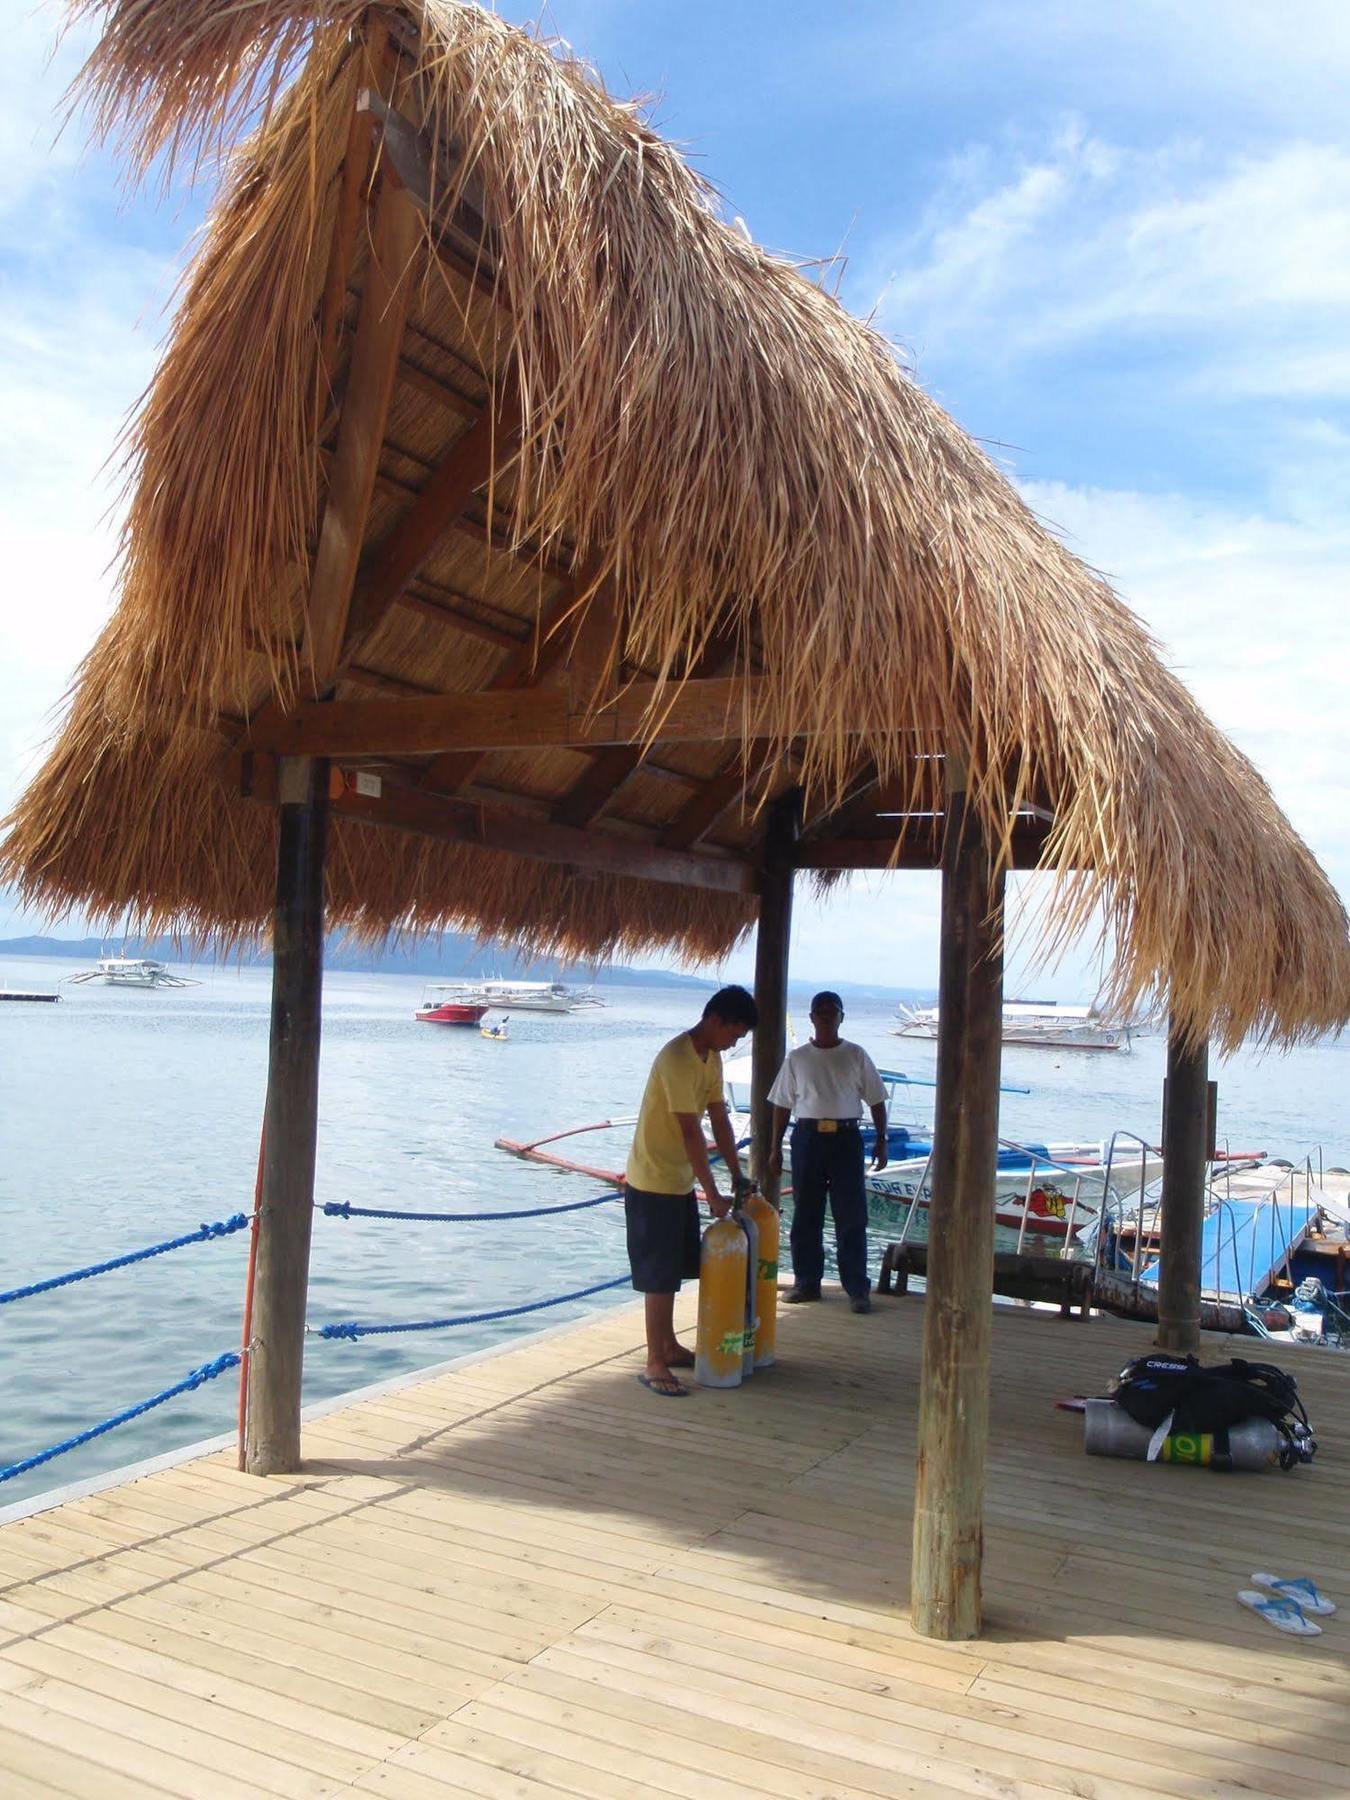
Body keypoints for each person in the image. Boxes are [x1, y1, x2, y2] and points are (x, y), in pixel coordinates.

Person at [625, 984, 759, 1396]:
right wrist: (712, 1192)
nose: (733, 1043)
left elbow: (718, 1118)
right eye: (733, 1034)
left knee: (675, 1268)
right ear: (715, 1019)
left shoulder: (712, 1058)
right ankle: (653, 1361)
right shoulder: (677, 1058)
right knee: (658, 1275)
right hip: (653, 1178)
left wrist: (737, 1173)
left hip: (678, 1179)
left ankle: (668, 1344)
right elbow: (690, 1130)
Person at [767, 991, 888, 1314]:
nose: (824, 1015)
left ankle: (857, 1289)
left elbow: (876, 1100)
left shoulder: (856, 1054)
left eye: (831, 1010)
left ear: (840, 1017)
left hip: (846, 1140)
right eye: (819, 1010)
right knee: (806, 1214)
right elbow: (781, 1105)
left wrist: (882, 1139)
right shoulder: (797, 1058)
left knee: (852, 1216)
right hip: (807, 1138)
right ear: (810, 1017)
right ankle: (806, 1283)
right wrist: (775, 1147)